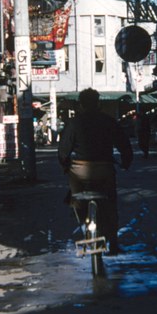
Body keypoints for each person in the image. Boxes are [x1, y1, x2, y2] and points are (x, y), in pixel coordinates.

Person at [57, 88, 133, 254]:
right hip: (104, 169)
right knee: (110, 205)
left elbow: (63, 150)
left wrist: (65, 165)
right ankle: (113, 243)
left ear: (81, 104)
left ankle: (82, 217)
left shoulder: (74, 123)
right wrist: (126, 162)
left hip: (79, 170)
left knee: (76, 198)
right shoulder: (108, 121)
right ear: (98, 102)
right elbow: (124, 145)